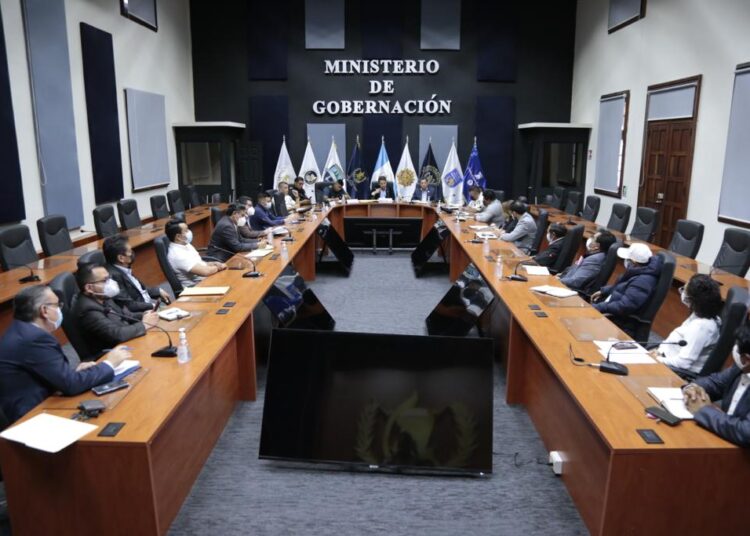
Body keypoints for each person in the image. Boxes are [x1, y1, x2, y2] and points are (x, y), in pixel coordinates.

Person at [0, 285, 130, 423]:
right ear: (44, 310)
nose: (59, 309)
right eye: (57, 305)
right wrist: (109, 364)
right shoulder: (34, 338)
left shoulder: (22, 330)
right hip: (32, 416)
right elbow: (71, 385)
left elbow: (51, 373)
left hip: (42, 400)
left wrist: (73, 373)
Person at [73, 264, 159, 359]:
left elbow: (126, 315)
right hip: (111, 355)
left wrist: (146, 315)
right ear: (89, 288)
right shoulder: (88, 310)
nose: (110, 283)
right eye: (105, 280)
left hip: (127, 343)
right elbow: (117, 334)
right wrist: (144, 324)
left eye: (109, 278)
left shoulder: (102, 296)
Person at [683, 324, 750, 446]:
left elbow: (745, 432)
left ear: (746, 359)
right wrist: (692, 389)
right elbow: (714, 382)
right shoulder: (740, 368)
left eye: (737, 348)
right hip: (722, 437)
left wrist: (703, 410)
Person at [653, 274, 722, 375]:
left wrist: (657, 359)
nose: (682, 292)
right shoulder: (700, 314)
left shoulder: (701, 327)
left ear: (692, 299)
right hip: (663, 356)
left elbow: (683, 363)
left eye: (684, 290)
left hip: (673, 371)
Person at [591, 243, 663, 338]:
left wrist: (600, 307)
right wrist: (604, 291)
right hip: (611, 309)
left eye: (627, 259)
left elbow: (624, 306)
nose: (624, 261)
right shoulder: (638, 271)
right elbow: (622, 286)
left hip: (619, 322)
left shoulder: (642, 282)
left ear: (634, 261)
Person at [103, 234, 171, 313]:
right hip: (143, 314)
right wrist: (153, 306)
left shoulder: (122, 268)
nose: (132, 253)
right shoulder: (114, 277)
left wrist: (158, 291)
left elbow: (138, 289)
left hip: (148, 307)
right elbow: (129, 305)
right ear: (121, 258)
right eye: (130, 251)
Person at [166, 220, 226, 288]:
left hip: (205, 280)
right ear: (178, 237)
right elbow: (205, 272)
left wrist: (212, 263)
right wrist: (219, 267)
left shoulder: (185, 244)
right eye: (186, 230)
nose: (189, 232)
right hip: (196, 287)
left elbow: (199, 263)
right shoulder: (177, 255)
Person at [559, 230, 617, 295]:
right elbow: (575, 268)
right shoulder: (595, 255)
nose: (590, 239)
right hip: (564, 280)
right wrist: (561, 275)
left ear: (597, 246)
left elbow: (576, 281)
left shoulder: (594, 260)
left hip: (567, 289)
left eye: (593, 238)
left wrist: (558, 280)